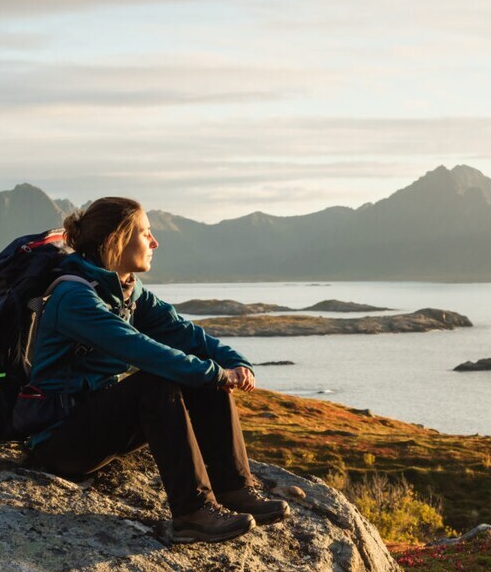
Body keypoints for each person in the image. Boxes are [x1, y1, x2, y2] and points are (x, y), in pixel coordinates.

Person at [16, 196, 287, 543]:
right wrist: (216, 373)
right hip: (61, 441)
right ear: (115, 240)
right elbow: (143, 350)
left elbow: (183, 333)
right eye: (145, 234)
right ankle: (193, 513)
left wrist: (233, 362)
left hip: (100, 423)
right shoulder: (75, 299)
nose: (155, 242)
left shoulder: (126, 290)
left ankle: (234, 489)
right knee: (159, 382)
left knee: (201, 377)